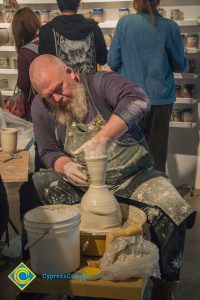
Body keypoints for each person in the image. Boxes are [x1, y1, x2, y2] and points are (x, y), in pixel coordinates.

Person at [22, 54, 195, 300]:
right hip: (83, 181)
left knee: (173, 210)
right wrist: (64, 166)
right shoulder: (41, 106)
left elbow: (139, 98)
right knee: (31, 189)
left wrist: (104, 137)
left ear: (70, 72)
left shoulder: (101, 83)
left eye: (59, 89)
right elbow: (48, 150)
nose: (57, 99)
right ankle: (27, 280)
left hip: (134, 177)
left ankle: (163, 284)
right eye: (48, 95)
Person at [107, 0, 187, 172]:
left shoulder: (124, 23)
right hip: (160, 97)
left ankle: (131, 196)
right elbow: (180, 65)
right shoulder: (170, 26)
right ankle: (156, 196)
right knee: (157, 154)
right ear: (158, 2)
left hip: (130, 99)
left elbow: (112, 62)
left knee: (128, 153)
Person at [38, 0, 107, 73]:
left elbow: (45, 65)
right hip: (90, 83)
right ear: (79, 3)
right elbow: (102, 59)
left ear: (58, 3)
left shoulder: (46, 31)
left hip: (61, 83)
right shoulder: (93, 28)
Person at [11, 7, 41, 121]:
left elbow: (23, 84)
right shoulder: (47, 41)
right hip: (54, 100)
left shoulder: (25, 52)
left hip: (36, 105)